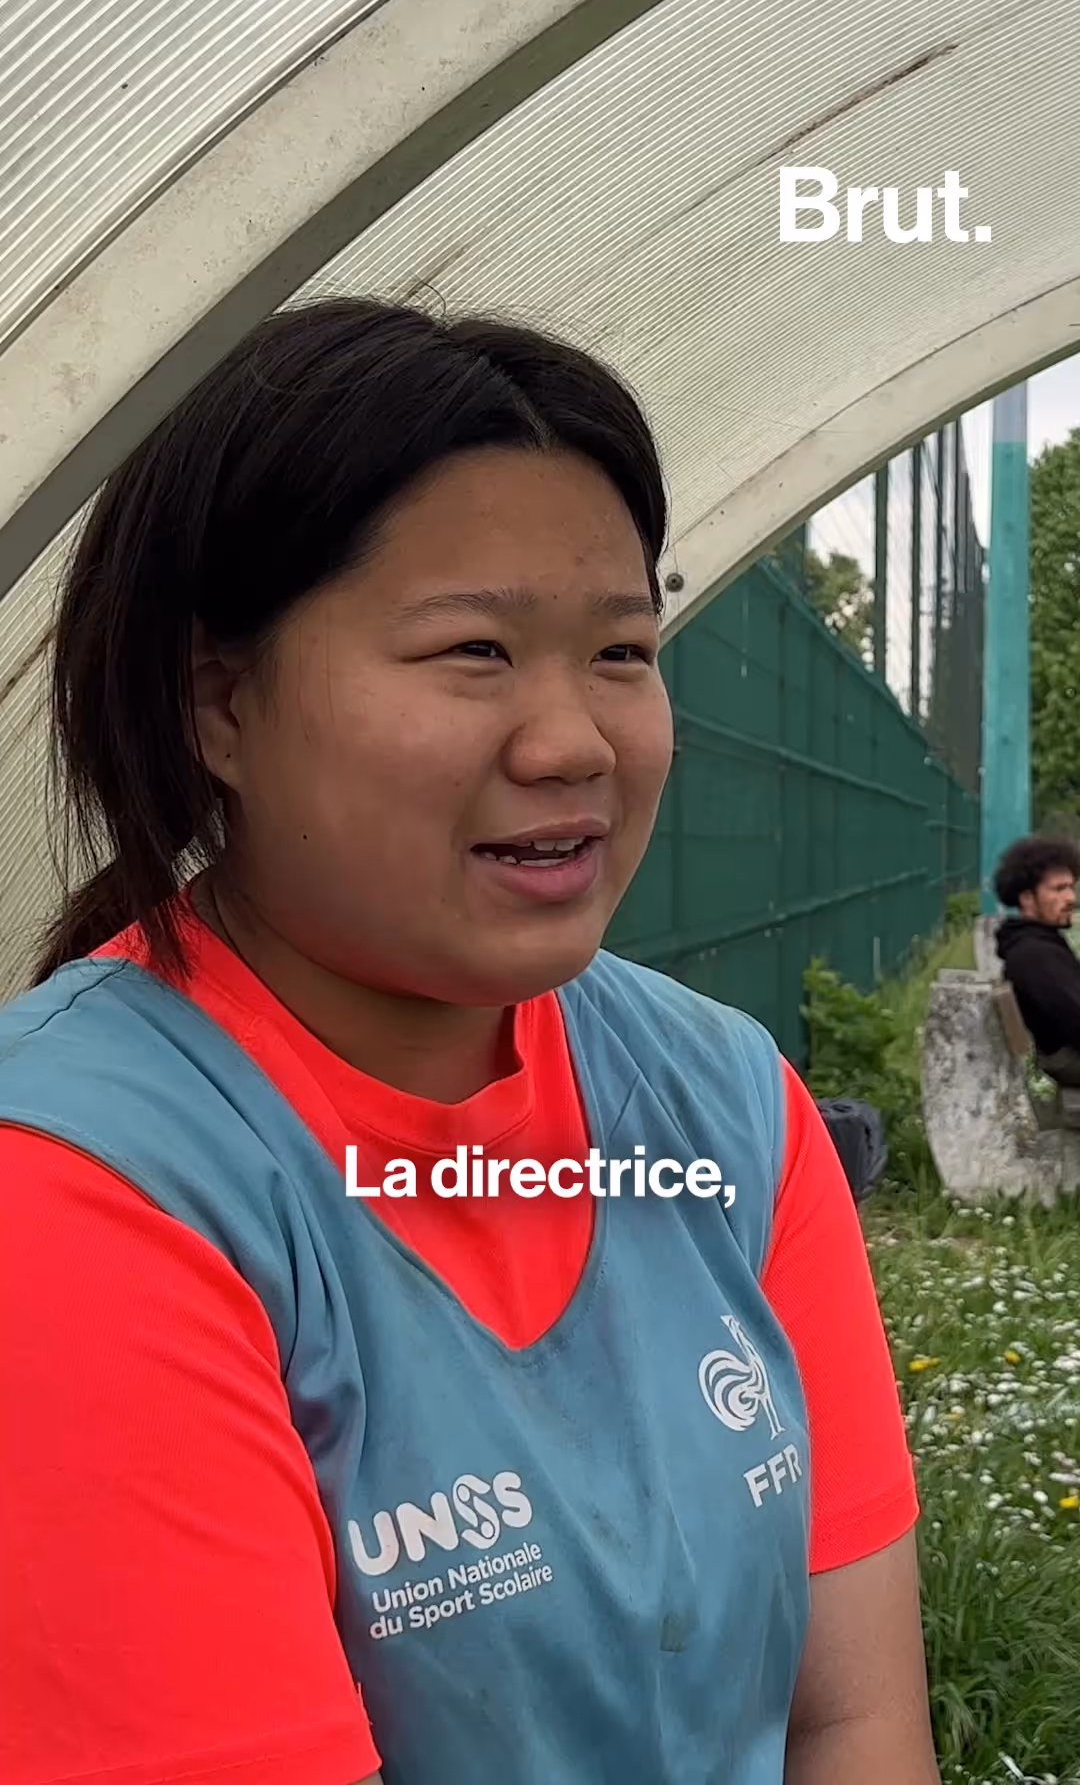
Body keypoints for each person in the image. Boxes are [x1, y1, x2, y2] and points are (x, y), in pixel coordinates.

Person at [0, 299, 939, 1785]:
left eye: (622, 650)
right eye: (475, 650)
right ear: (218, 704)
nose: (572, 740)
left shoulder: (726, 1106)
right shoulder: (73, 1193)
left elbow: (851, 1722)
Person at [995, 834, 1080, 1085]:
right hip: (1070, 1060)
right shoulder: (1034, 954)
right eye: (1058, 889)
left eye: (1071, 887)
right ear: (1027, 898)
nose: (1071, 898)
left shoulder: (1037, 943)